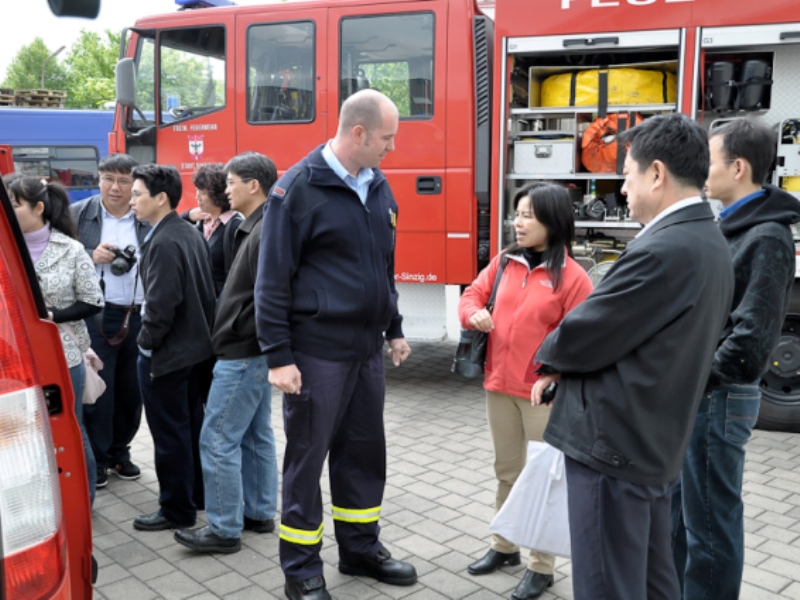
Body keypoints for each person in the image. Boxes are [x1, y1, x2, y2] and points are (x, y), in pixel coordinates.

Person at [530, 113, 735, 600]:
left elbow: (585, 331)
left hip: (614, 448)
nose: (622, 188)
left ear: (657, 174)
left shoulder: (665, 247)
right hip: (651, 446)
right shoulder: (708, 240)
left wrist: (548, 356)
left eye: (627, 174)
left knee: (608, 585)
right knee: (650, 579)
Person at [256, 89, 415, 600]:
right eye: (387, 138)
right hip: (316, 353)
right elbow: (272, 279)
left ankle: (360, 549)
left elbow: (383, 269)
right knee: (307, 460)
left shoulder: (378, 185)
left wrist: (393, 328)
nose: (393, 148)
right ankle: (301, 569)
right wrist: (278, 357)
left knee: (364, 454)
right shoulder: (297, 190)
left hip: (366, 351)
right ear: (359, 133)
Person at [671, 118, 800, 599]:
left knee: (709, 523)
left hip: (718, 398)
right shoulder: (730, 225)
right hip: (700, 396)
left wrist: (693, 381)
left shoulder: (765, 236)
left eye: (710, 159)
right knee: (681, 515)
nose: (702, 168)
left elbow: (750, 341)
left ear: (739, 166)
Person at [459, 183, 593, 599]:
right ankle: (504, 546)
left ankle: (542, 566)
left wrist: (555, 376)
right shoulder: (504, 262)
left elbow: (583, 339)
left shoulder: (573, 278)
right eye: (516, 214)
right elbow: (470, 295)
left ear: (552, 222)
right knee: (508, 473)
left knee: (544, 480)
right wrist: (474, 313)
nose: (517, 223)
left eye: (527, 215)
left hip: (540, 395)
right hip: (498, 385)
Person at [174, 152, 279, 554]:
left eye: (232, 182)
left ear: (254, 186)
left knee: (217, 438)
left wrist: (237, 329)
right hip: (250, 347)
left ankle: (223, 528)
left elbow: (270, 295)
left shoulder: (265, 228)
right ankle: (258, 511)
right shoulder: (258, 224)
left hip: (244, 349)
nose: (225, 189)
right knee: (255, 433)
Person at [129, 164, 216, 532]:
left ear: (160, 198)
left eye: (137, 194)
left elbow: (162, 306)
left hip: (170, 355)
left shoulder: (164, 240)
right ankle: (194, 496)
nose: (132, 200)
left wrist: (145, 343)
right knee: (189, 428)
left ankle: (176, 509)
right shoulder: (185, 231)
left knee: (170, 435)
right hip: (196, 351)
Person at [7, 175, 104, 505]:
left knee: (70, 429)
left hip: (64, 356)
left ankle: (82, 501)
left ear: (38, 208)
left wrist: (52, 316)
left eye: (14, 204)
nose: (7, 209)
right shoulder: (7, 249)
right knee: (27, 433)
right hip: (16, 358)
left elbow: (93, 301)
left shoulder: (71, 249)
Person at [71, 154, 148, 490]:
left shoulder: (147, 213)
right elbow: (57, 256)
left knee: (133, 389)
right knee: (101, 389)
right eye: (107, 178)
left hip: (141, 314)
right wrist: (91, 255)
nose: (115, 187)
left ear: (135, 183)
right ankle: (98, 459)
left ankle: (121, 451)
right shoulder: (79, 214)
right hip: (99, 315)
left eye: (123, 180)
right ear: (98, 179)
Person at [182, 163, 243, 297]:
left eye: (202, 192)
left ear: (218, 195)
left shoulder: (234, 226)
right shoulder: (202, 222)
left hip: (220, 304)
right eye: (197, 191)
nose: (196, 197)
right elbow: (174, 231)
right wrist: (187, 216)